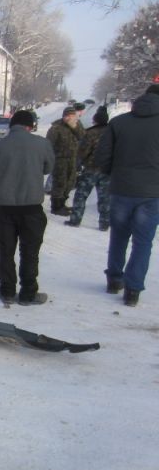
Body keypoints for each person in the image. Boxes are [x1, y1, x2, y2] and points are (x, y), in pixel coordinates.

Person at [94, 84, 159, 307]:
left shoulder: (118, 122)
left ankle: (114, 279)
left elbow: (102, 155)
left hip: (121, 188)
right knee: (143, 242)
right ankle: (133, 290)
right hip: (152, 193)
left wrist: (112, 173)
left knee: (119, 236)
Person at [0, 110, 55, 305]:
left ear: (12, 126)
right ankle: (28, 294)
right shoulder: (42, 144)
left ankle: (7, 291)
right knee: (30, 253)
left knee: (6, 252)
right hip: (32, 209)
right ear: (30, 126)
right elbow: (48, 168)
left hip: (6, 209)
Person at [65, 105, 110, 230]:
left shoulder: (90, 133)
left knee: (81, 195)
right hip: (107, 170)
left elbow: (83, 151)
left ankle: (75, 219)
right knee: (105, 198)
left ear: (95, 120)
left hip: (91, 169)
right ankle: (104, 223)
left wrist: (78, 165)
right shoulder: (113, 133)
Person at [46, 106, 85, 215]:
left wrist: (74, 127)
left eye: (72, 116)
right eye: (68, 116)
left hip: (73, 159)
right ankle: (56, 206)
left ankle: (62, 204)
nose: (70, 118)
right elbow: (48, 144)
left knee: (70, 183)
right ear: (64, 116)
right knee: (60, 183)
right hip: (60, 160)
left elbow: (82, 136)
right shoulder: (56, 127)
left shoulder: (77, 125)